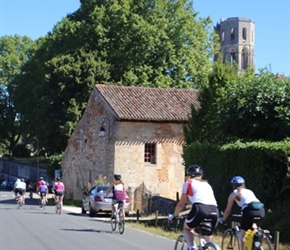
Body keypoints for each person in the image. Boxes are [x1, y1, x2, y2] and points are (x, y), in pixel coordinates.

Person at [168, 165, 219, 250]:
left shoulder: (188, 183)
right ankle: (208, 247)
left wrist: (174, 215)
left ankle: (191, 247)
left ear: (189, 175)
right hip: (214, 210)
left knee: (187, 228)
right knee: (207, 235)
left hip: (200, 209)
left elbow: (182, 203)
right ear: (201, 175)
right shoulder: (207, 184)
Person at [221, 176, 265, 250]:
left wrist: (223, 219)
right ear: (243, 184)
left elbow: (228, 211)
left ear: (233, 185)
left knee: (243, 236)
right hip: (261, 210)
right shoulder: (249, 191)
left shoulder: (233, 194)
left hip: (249, 211)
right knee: (254, 230)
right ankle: (259, 246)